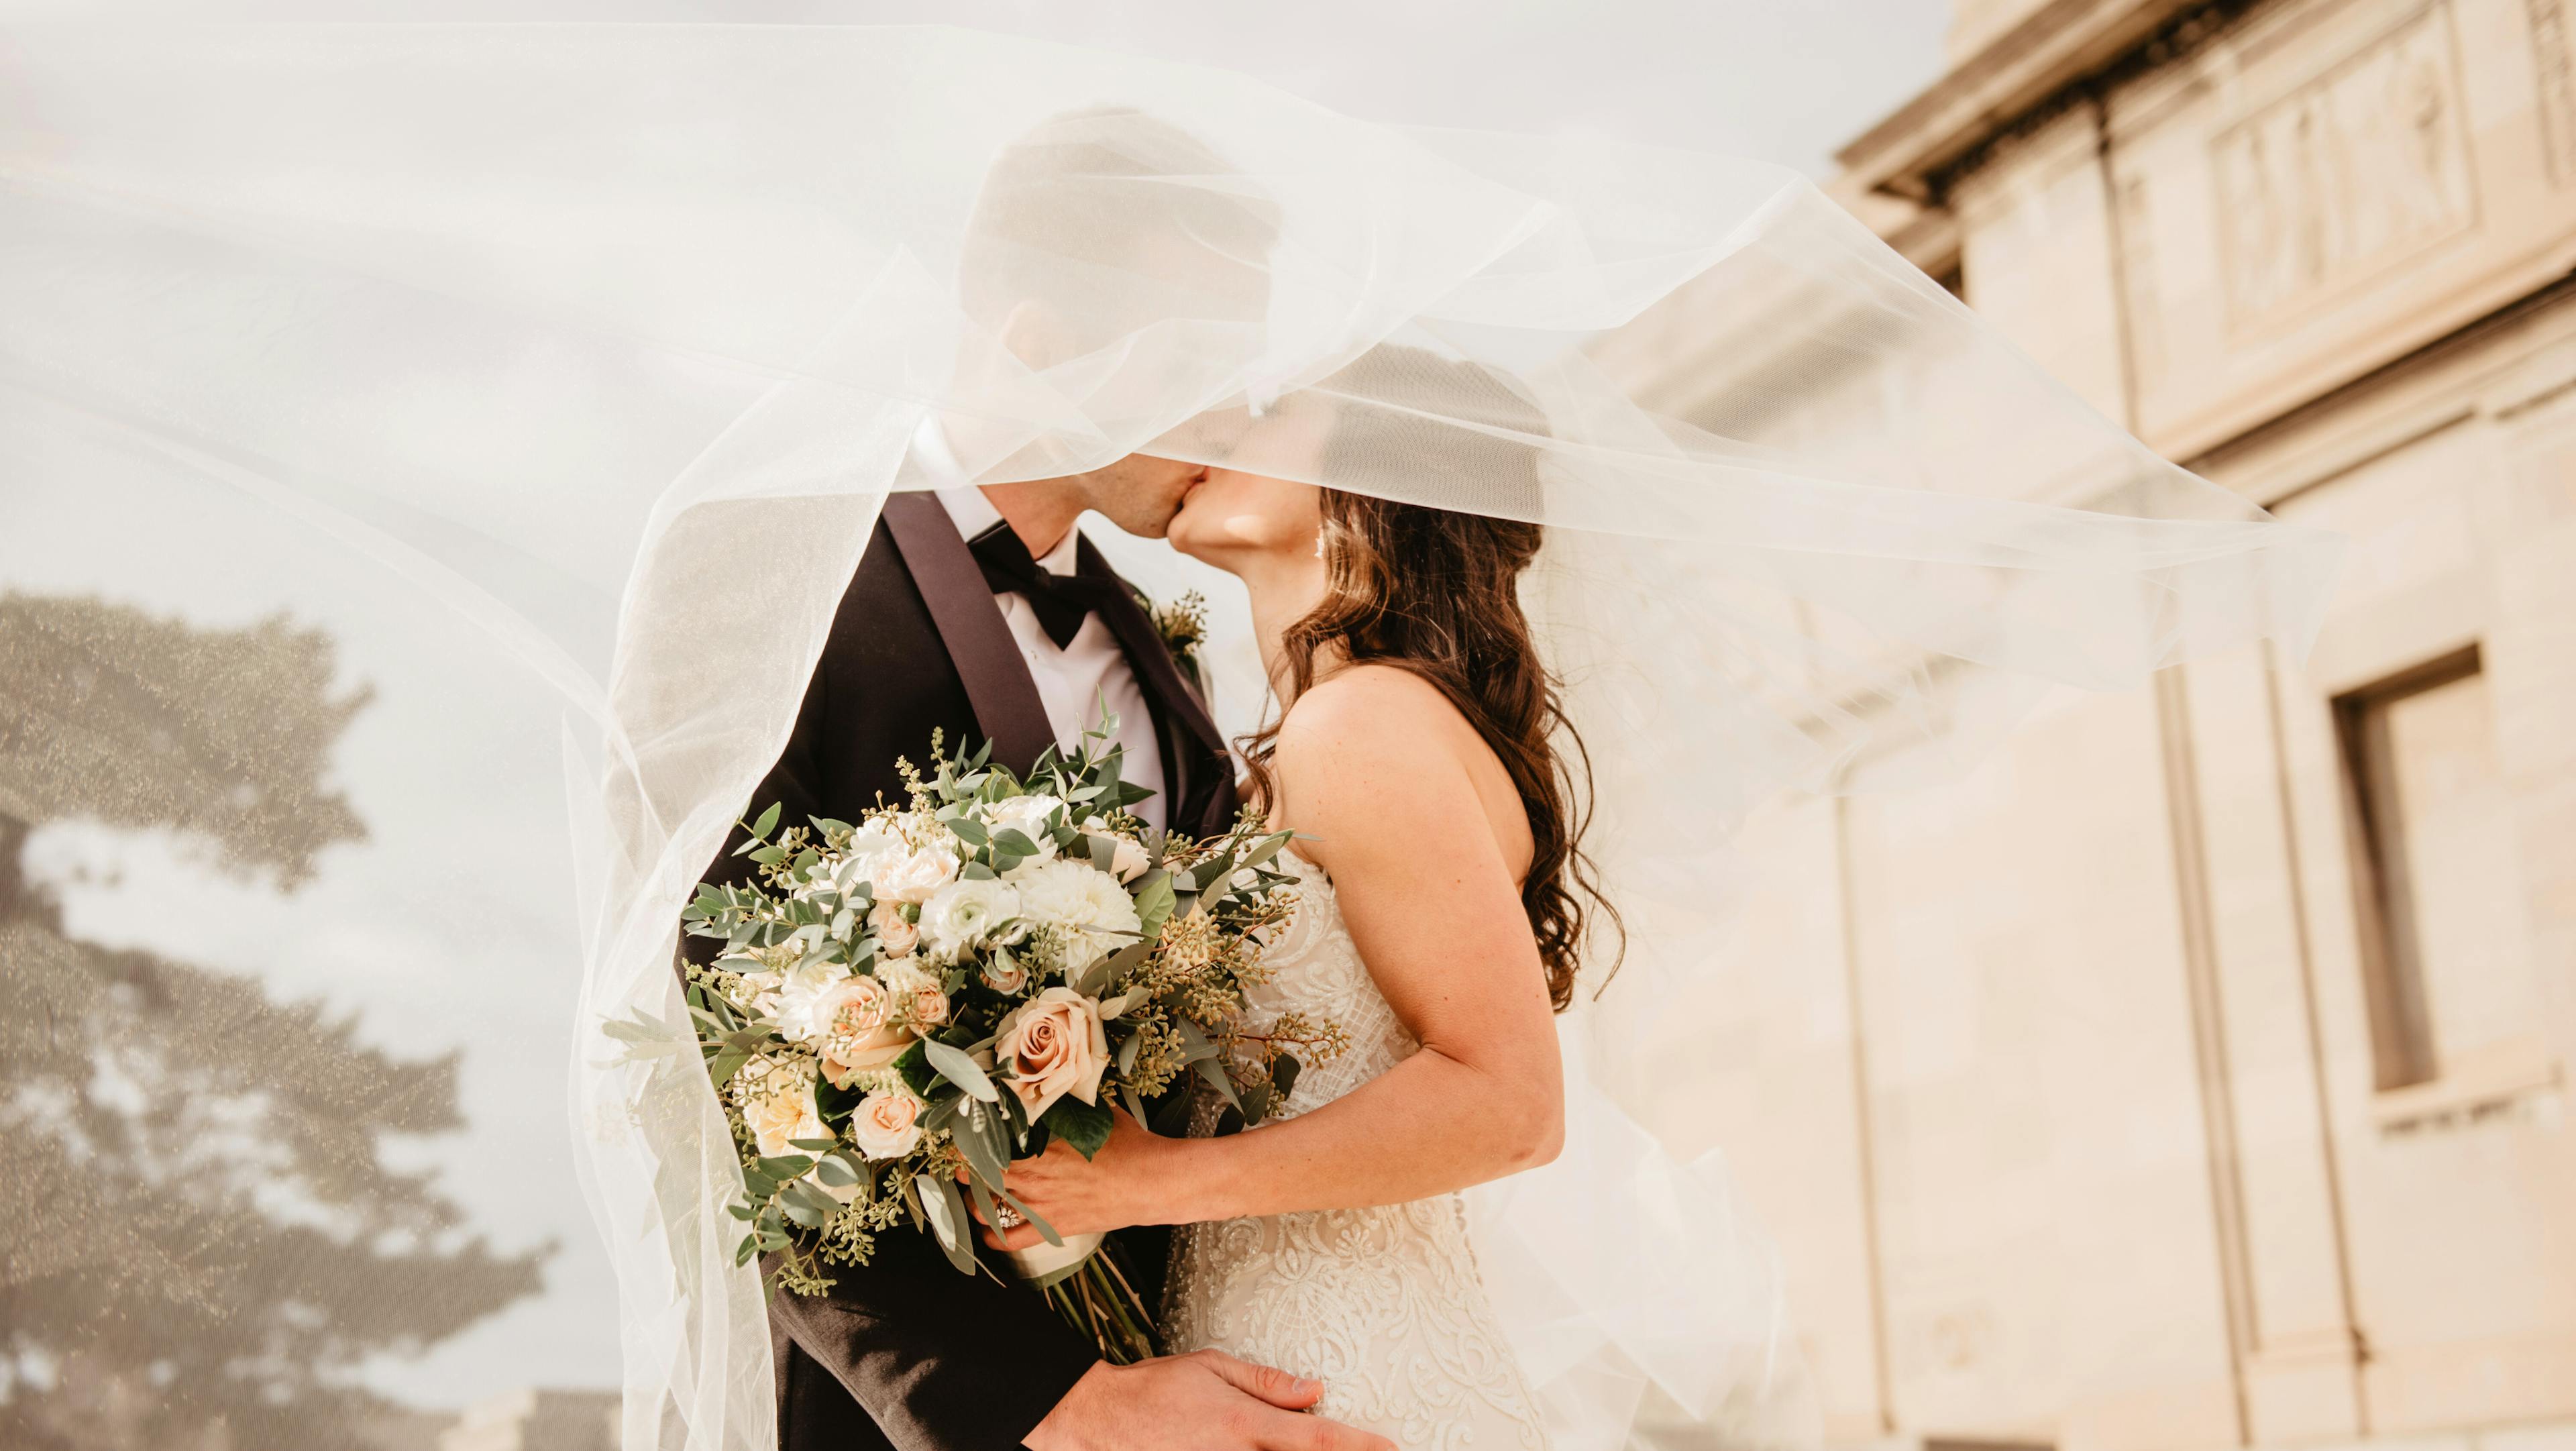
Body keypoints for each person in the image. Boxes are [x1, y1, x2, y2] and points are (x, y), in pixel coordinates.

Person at [691, 109, 1391, 1451]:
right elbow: (720, 1059)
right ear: (1038, 343)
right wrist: (1049, 1405)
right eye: (1200, 361)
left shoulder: (1167, 668)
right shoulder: (768, 575)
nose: (1234, 412)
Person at [976, 348, 1610, 1445]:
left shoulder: (1364, 725)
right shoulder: (1320, 734)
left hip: (1342, 1371)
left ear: (1368, 479)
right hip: (1265, 1352)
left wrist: (1144, 1184)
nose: (1214, 424)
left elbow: (1512, 1105)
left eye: (1269, 414)